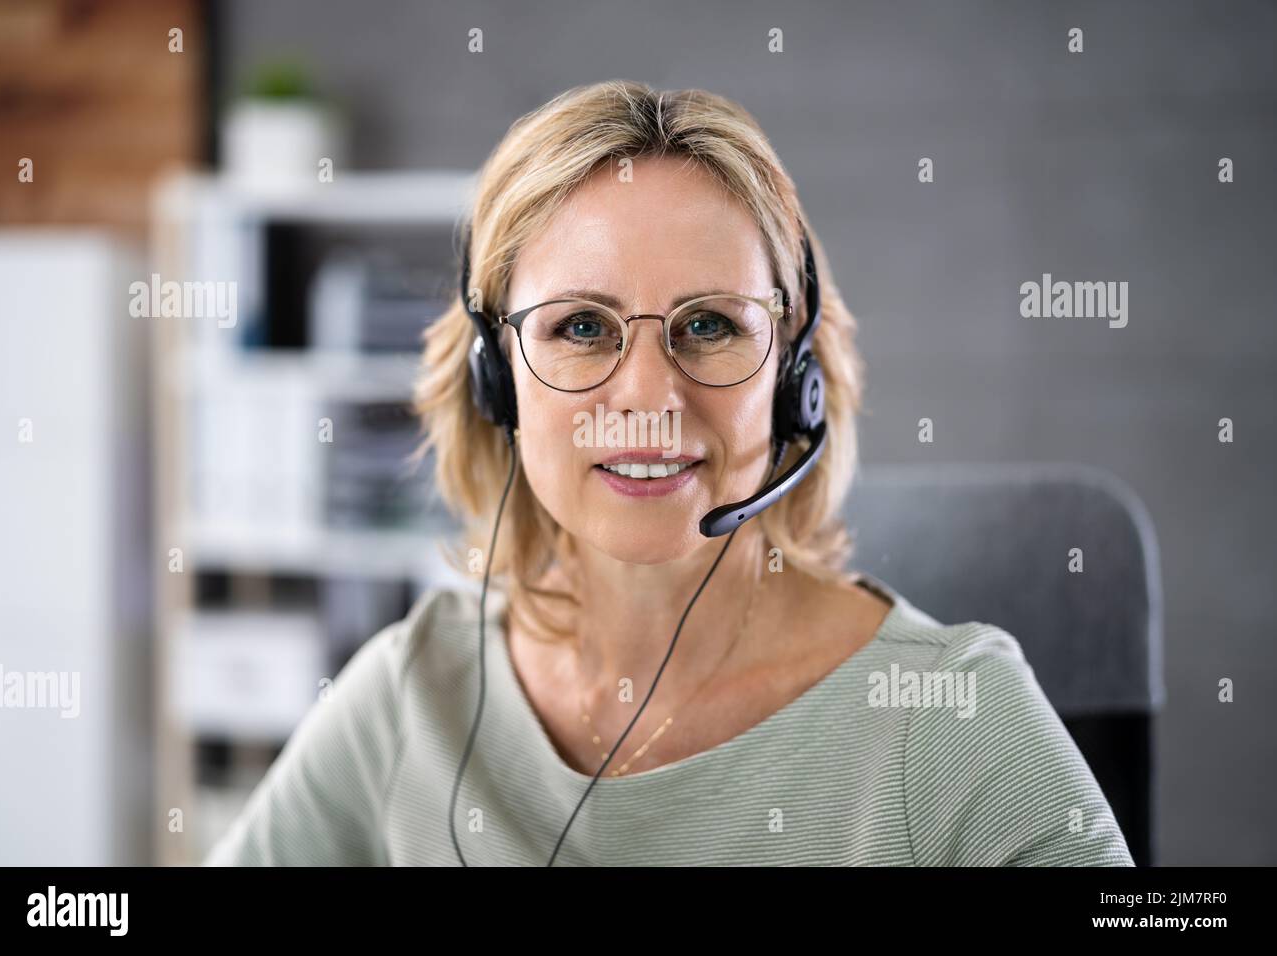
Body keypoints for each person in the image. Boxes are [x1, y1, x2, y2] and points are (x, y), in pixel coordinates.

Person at [206, 79, 1133, 866]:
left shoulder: (956, 721)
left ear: (793, 377)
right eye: (579, 327)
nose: (649, 398)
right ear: (497, 379)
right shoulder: (416, 694)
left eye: (709, 325)